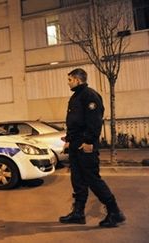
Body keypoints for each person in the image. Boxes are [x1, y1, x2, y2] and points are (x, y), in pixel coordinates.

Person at [59, 68, 125, 228]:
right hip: (75, 145)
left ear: (77, 79)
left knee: (92, 179)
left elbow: (94, 121)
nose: (68, 83)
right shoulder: (76, 96)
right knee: (78, 180)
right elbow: (74, 122)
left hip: (85, 145)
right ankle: (78, 213)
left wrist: (89, 141)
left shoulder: (89, 95)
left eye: (70, 79)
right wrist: (68, 140)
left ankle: (114, 212)